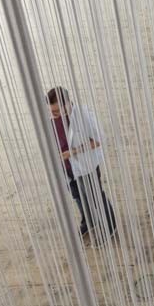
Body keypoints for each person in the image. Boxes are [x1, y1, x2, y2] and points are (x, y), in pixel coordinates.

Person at [47, 87, 117, 244]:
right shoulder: (52, 117)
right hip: (66, 168)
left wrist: (72, 153)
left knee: (96, 197)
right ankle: (89, 222)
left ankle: (110, 227)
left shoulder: (83, 115)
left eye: (56, 110)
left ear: (67, 104)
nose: (53, 114)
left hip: (85, 166)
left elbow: (99, 140)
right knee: (78, 197)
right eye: (51, 111)